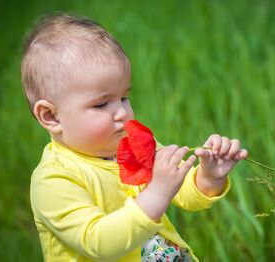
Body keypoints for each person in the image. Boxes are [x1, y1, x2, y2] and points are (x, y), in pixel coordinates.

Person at [22, 13, 248, 261]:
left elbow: (180, 191)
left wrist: (208, 177)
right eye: (101, 104)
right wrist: (156, 194)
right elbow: (99, 243)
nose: (121, 111)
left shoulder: (132, 143)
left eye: (124, 98)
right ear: (51, 116)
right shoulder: (54, 180)